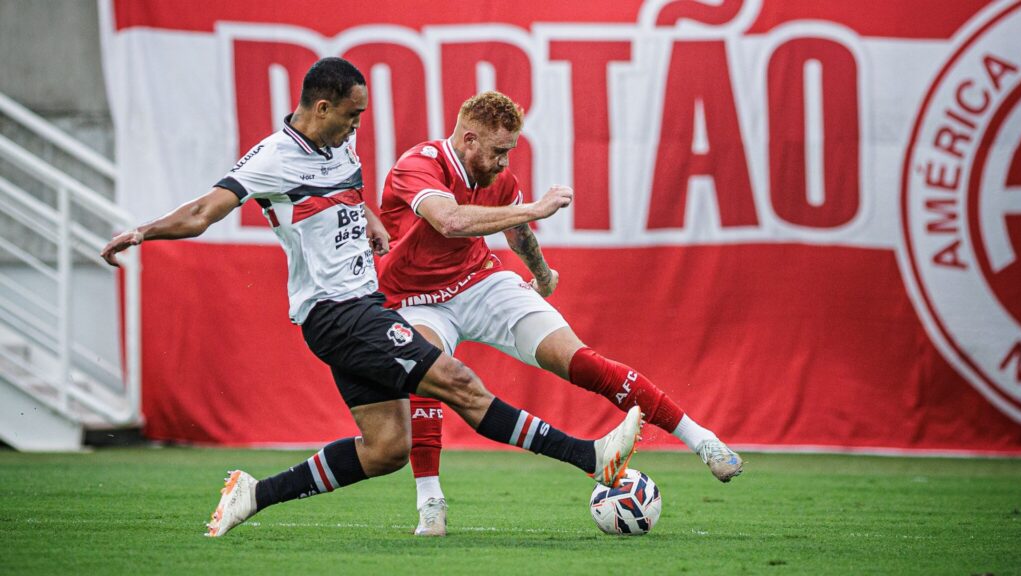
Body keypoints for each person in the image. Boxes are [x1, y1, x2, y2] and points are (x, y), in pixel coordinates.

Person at [100, 58, 643, 538]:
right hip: (337, 313)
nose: (357, 125)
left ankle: (253, 494)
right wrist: (143, 231)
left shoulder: (338, 142)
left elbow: (345, 189)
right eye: (352, 115)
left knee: (385, 449)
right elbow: (203, 212)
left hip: (361, 306)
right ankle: (589, 456)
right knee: (457, 382)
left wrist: (370, 220)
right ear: (321, 107)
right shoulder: (272, 158)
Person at [377, 90, 743, 536]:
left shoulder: (499, 178)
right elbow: (450, 221)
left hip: (479, 282)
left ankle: (703, 441)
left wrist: (542, 273)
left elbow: (517, 231)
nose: (503, 162)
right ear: (469, 139)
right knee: (426, 372)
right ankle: (430, 501)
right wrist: (537, 207)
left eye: (510, 151)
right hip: (415, 299)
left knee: (582, 362)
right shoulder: (418, 165)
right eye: (498, 150)